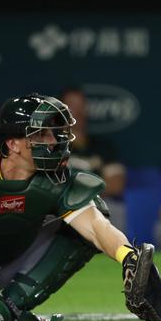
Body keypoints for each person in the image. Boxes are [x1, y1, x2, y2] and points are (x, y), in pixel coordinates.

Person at [0, 94, 161, 321]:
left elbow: (95, 226)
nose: (52, 141)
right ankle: (3, 320)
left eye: (53, 133)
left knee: (82, 228)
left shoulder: (54, 178)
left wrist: (127, 256)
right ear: (14, 144)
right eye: (41, 135)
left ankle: (12, 313)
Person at [59, 87, 127, 232]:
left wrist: (83, 197)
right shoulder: (51, 146)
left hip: (97, 201)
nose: (76, 111)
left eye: (81, 105)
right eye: (71, 106)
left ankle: (118, 251)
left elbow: (116, 184)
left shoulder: (104, 147)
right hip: (59, 203)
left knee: (116, 209)